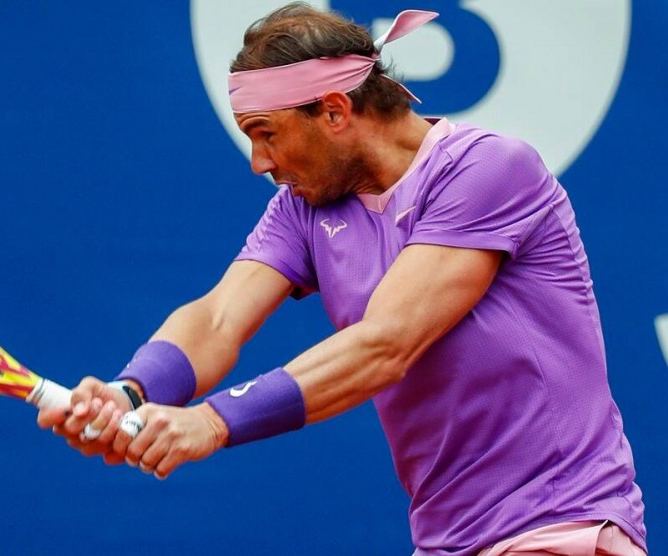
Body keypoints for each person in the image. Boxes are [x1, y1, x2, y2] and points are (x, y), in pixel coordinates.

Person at [37, 4, 647, 555]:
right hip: (449, 539)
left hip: (560, 523)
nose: (258, 163)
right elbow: (220, 316)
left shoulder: (489, 169)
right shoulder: (305, 208)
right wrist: (132, 391)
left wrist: (214, 421)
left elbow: (387, 342)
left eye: (265, 133)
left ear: (334, 110)